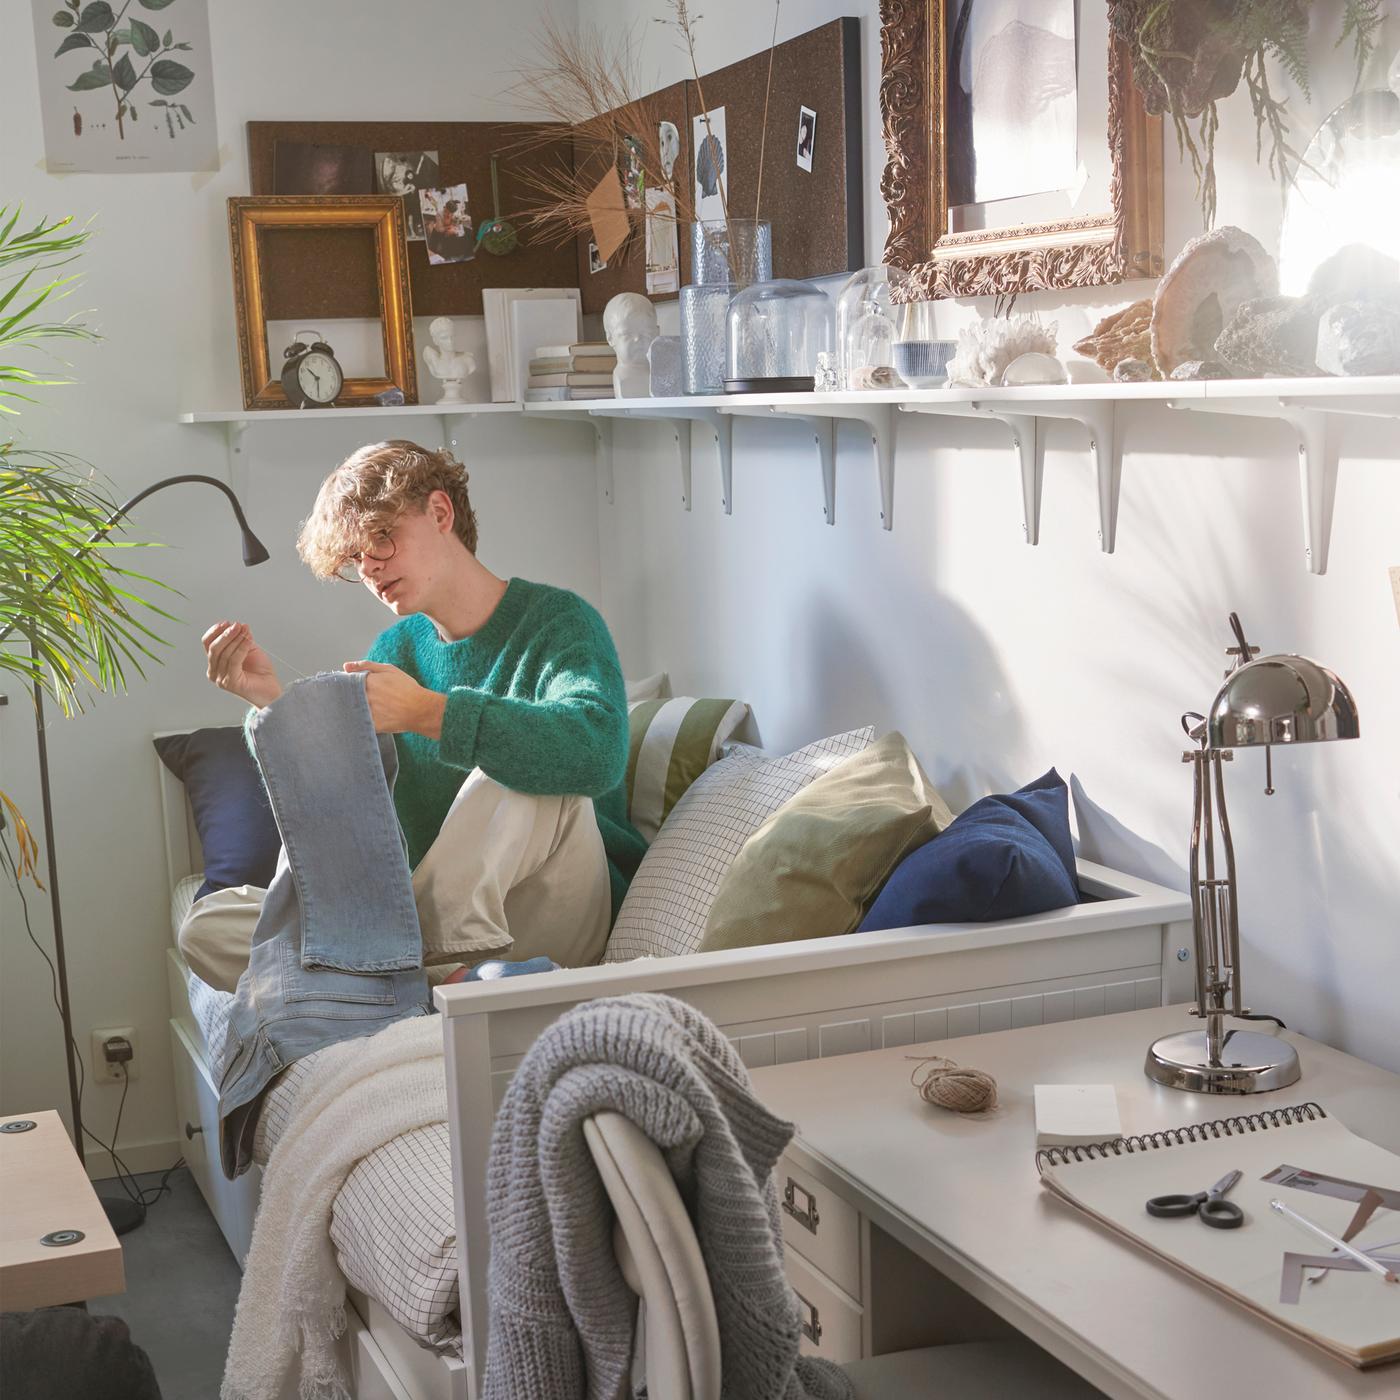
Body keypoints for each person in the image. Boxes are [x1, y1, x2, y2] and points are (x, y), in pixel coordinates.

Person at [185, 440, 647, 994]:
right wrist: (273, 707)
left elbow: (596, 754)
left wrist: (430, 713)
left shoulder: (559, 622)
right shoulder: (396, 649)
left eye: (382, 537)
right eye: (355, 557)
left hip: (552, 912)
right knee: (208, 928)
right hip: (414, 921)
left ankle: (397, 975)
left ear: (440, 513)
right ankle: (431, 977)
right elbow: (340, 807)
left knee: (518, 771)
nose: (371, 566)